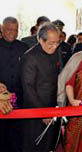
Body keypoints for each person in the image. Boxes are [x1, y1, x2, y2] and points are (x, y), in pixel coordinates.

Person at [21, 22, 61, 152]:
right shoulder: (30, 57)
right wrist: (42, 112)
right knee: (34, 145)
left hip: (51, 106)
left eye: (57, 42)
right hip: (35, 109)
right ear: (40, 39)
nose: (54, 46)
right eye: (51, 43)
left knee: (48, 144)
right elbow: (28, 88)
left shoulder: (56, 52)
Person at [0, 16, 28, 152]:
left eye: (15, 30)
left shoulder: (24, 48)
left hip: (20, 101)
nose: (12, 32)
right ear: (1, 29)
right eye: (9, 29)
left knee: (16, 138)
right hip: (0, 99)